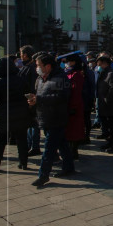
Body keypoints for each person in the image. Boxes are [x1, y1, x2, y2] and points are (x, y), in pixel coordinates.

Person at [28, 54, 74, 186]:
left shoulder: (59, 78)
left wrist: (39, 99)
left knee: (49, 148)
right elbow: (41, 95)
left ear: (48, 66)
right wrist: (34, 99)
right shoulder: (41, 78)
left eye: (39, 65)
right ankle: (69, 167)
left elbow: (61, 97)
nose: (37, 68)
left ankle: (43, 175)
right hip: (45, 117)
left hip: (56, 118)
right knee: (62, 144)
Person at [0, 58, 30, 172]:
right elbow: (27, 94)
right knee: (22, 139)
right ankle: (23, 163)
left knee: (0, 141)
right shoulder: (21, 80)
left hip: (4, 114)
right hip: (21, 113)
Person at [96, 56, 113, 153]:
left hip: (112, 106)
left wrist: (106, 100)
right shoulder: (103, 73)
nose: (98, 65)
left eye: (99, 63)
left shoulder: (111, 74)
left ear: (104, 63)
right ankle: (111, 142)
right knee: (109, 126)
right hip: (105, 106)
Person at [19, 45, 41, 156]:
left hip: (31, 100)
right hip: (28, 100)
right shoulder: (28, 67)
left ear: (26, 55)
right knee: (30, 124)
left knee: (34, 124)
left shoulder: (30, 68)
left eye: (21, 54)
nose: (20, 56)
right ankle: (31, 144)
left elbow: (33, 86)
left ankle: (34, 145)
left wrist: (31, 98)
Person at [64, 54, 86, 159]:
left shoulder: (77, 74)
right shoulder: (69, 73)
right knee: (69, 130)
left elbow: (76, 92)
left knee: (75, 129)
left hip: (75, 106)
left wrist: (73, 106)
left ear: (73, 62)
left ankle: (74, 151)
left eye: (68, 61)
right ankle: (70, 149)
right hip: (69, 105)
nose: (66, 64)